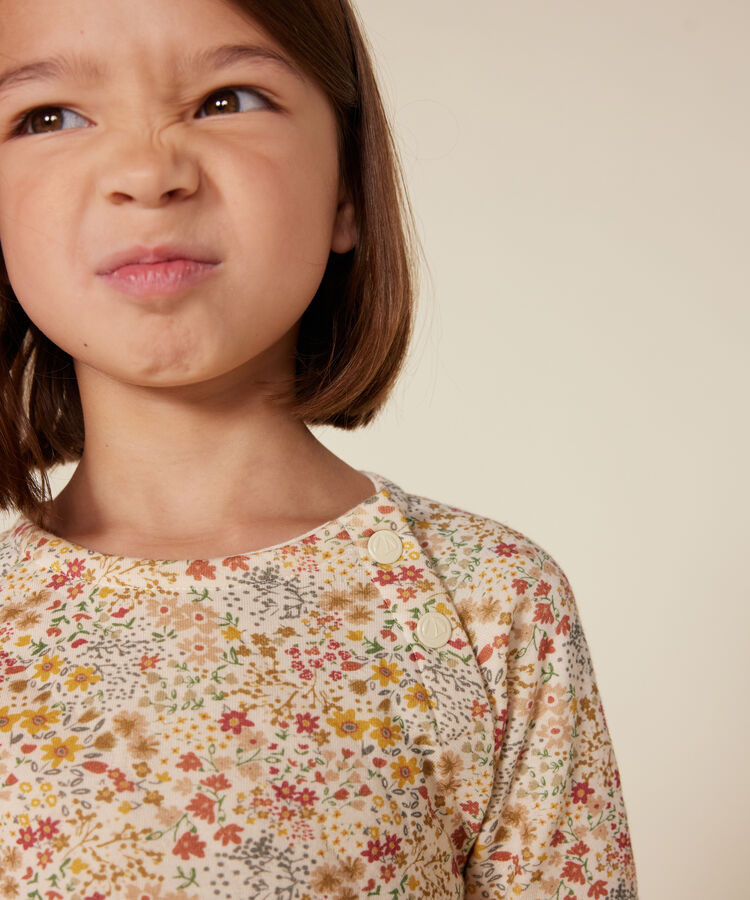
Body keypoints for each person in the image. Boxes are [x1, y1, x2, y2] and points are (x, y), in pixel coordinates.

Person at [0, 0, 638, 897]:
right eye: (48, 117)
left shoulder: (485, 605)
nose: (147, 172)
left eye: (226, 100)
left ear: (346, 188)